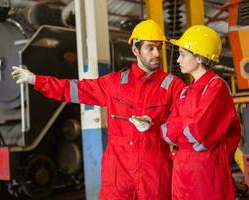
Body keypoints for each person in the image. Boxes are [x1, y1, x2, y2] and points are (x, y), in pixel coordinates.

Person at [12, 19, 185, 200]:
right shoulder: (115, 84)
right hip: (118, 174)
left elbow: (182, 125)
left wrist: (154, 126)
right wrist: (36, 80)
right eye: (150, 48)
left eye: (159, 47)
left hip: (154, 174)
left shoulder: (173, 86)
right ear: (135, 50)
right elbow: (74, 89)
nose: (157, 53)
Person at [161, 25, 241, 200]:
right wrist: (185, 125)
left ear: (198, 57)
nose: (177, 60)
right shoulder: (184, 92)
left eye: (182, 54)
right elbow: (167, 132)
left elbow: (201, 134)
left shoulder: (216, 87)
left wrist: (181, 127)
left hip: (207, 175)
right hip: (182, 174)